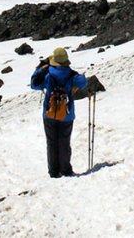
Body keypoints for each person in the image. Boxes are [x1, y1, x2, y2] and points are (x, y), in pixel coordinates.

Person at [30, 47, 89, 178]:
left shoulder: (47, 74)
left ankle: (53, 171)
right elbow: (84, 83)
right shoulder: (71, 75)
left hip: (49, 113)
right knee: (64, 141)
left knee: (51, 142)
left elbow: (34, 84)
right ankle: (66, 169)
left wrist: (40, 68)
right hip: (67, 114)